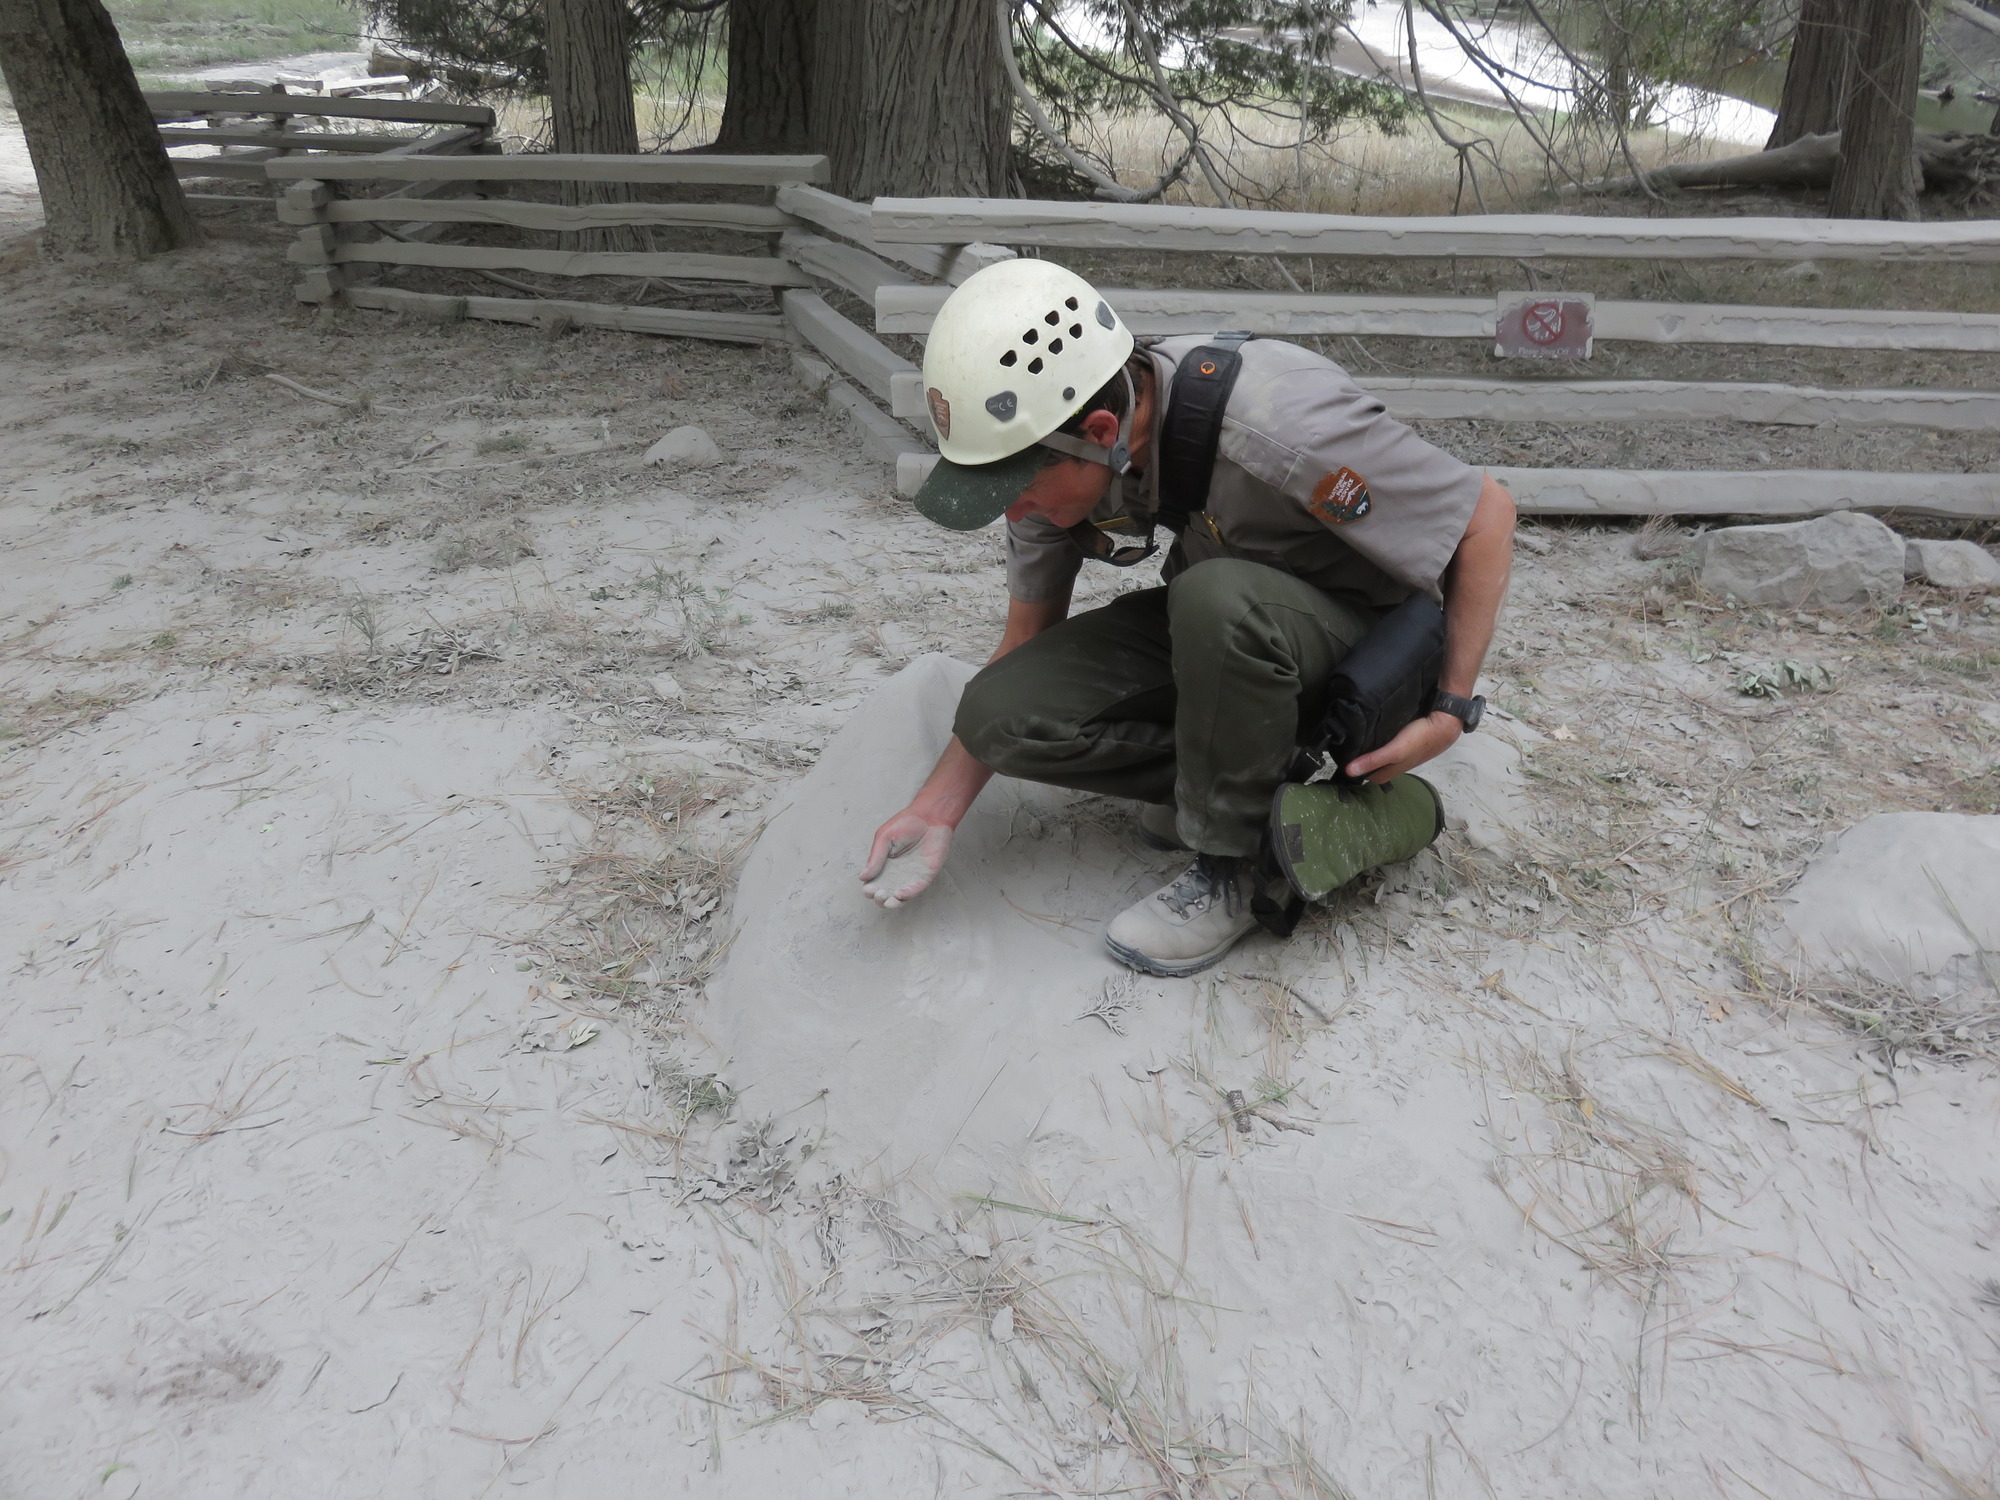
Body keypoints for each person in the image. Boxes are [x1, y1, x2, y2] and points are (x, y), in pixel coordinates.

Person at [859, 259, 1516, 976]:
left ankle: (1245, 863)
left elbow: (1487, 515)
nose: (1010, 510)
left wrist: (1450, 710)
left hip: (1368, 661)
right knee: (999, 713)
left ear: (1101, 429)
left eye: (1015, 487)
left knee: (1213, 597)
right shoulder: (1062, 448)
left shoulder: (1279, 424)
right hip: (1239, 640)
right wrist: (937, 807)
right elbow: (1025, 640)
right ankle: (1238, 788)